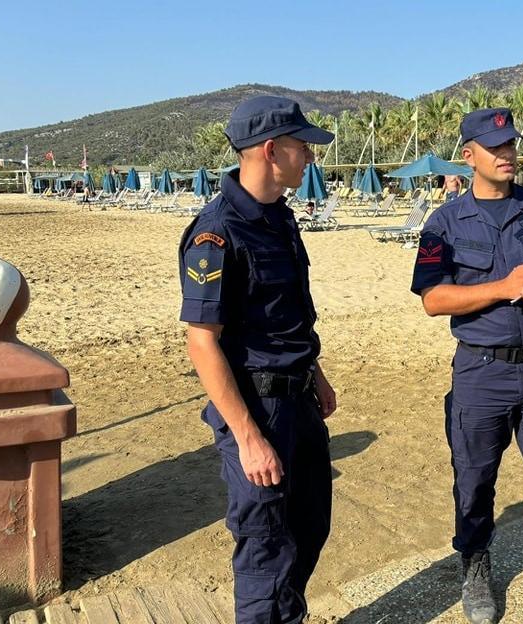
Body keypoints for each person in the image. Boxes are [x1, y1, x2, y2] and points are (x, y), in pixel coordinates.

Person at [411, 108, 523, 623]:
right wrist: (505, 287)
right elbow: (433, 299)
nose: (508, 154)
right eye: (495, 147)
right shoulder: (444, 222)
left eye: (511, 144)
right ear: (468, 156)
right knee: (474, 478)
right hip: (481, 371)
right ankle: (475, 566)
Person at [179, 95, 338, 624]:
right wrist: (248, 438)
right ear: (271, 150)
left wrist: (315, 372)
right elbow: (201, 340)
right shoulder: (216, 231)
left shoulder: (280, 219)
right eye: (302, 148)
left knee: (310, 525)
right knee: (266, 547)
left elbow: (286, 312)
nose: (309, 158)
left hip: (299, 401)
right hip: (255, 408)